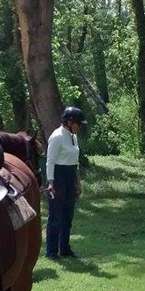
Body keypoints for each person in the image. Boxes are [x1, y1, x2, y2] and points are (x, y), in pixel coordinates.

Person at [45, 106, 86, 260]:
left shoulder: (73, 137)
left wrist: (78, 181)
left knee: (67, 216)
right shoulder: (57, 136)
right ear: (69, 122)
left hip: (70, 176)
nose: (80, 126)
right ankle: (51, 250)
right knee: (55, 216)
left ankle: (65, 248)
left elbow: (75, 162)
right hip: (58, 177)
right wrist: (50, 183)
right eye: (78, 123)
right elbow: (50, 162)